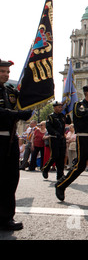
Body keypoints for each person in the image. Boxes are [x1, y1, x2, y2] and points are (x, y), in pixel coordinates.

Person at [55, 84, 88, 202]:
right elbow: (84, 114)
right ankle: (61, 185)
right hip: (83, 138)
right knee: (80, 166)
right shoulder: (79, 105)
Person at [0, 58, 33, 231]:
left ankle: (6, 217)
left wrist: (29, 107)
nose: (5, 74)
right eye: (2, 71)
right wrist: (16, 114)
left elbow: (24, 106)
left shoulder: (11, 92)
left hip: (10, 139)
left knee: (10, 179)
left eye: (7, 72)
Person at [42, 101, 68, 180]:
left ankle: (60, 175)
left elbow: (68, 122)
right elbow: (49, 128)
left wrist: (67, 112)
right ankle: (46, 168)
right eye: (59, 107)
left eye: (61, 107)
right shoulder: (51, 116)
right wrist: (56, 133)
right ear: (54, 107)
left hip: (62, 139)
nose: (60, 108)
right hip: (54, 138)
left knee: (61, 156)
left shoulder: (62, 116)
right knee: (55, 156)